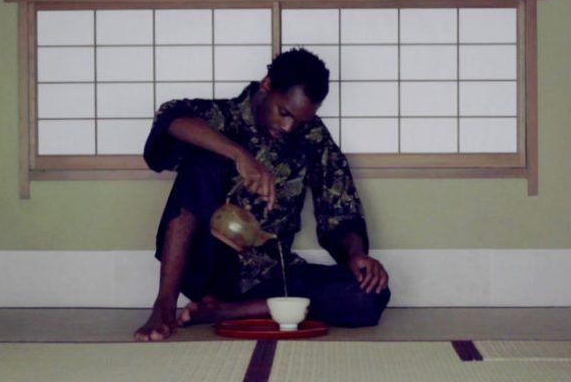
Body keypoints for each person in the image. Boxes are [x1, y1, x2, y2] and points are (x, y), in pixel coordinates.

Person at [134, 48, 391, 341]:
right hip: (206, 263)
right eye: (284, 113)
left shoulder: (313, 137)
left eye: (300, 120)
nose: (289, 127)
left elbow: (340, 206)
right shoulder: (224, 116)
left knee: (369, 293)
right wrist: (238, 155)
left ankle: (233, 310)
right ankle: (164, 305)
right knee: (202, 162)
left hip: (269, 275)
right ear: (267, 85)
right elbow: (170, 119)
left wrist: (356, 254)